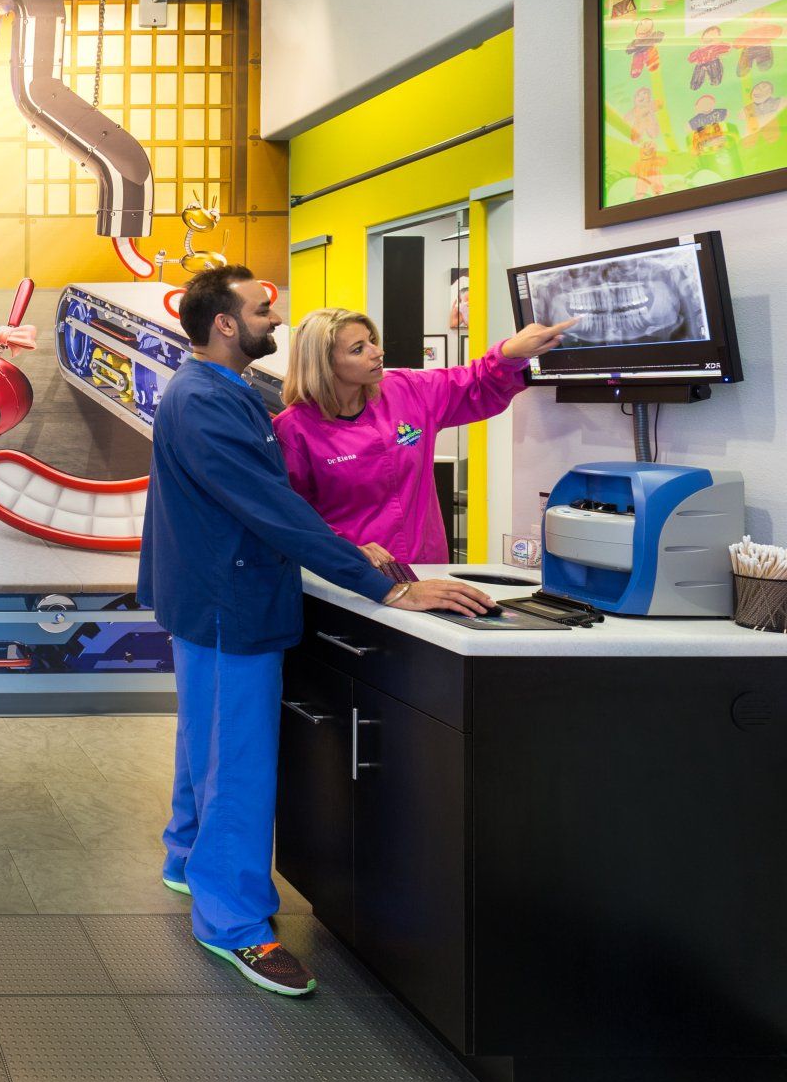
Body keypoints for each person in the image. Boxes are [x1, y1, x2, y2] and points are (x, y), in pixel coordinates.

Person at [140, 266, 495, 997]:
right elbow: (270, 508)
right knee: (236, 763)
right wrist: (388, 585)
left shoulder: (220, 392)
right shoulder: (209, 401)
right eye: (263, 310)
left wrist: (347, 550)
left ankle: (186, 857)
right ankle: (233, 923)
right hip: (227, 603)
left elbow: (272, 506)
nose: (276, 320)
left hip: (212, 596)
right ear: (227, 325)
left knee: (204, 739)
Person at [274, 308, 574, 566]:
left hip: (428, 569)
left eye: (372, 341)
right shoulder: (295, 429)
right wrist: (343, 549)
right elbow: (292, 516)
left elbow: (474, 384)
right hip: (354, 575)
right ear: (325, 365)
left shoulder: (406, 389)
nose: (377, 352)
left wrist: (509, 352)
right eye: (358, 349)